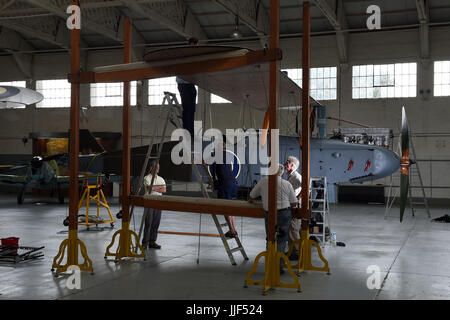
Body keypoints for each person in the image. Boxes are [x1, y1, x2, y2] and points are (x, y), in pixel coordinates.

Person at [248, 164, 298, 274]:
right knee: (281, 239)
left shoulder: (263, 181)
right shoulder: (287, 183)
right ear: (282, 173)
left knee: (270, 238)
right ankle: (278, 267)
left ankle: (270, 265)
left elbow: (251, 196)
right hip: (284, 214)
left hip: (269, 214)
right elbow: (294, 203)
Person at [209, 136, 239, 238]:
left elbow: (205, 162)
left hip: (225, 184)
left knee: (225, 208)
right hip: (233, 183)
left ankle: (231, 230)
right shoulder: (227, 154)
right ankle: (233, 229)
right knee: (230, 207)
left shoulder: (217, 154)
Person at [176, 37, 199, 138]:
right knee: (187, 108)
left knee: (192, 109)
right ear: (189, 44)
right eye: (192, 45)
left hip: (191, 84)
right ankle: (187, 132)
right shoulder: (183, 54)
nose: (194, 47)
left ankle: (191, 132)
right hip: (183, 84)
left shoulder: (194, 55)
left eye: (195, 46)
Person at [142, 161, 166, 249]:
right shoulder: (146, 178)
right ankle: (145, 242)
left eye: (158, 167)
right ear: (151, 168)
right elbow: (149, 188)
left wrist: (155, 187)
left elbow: (164, 190)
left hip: (158, 203)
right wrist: (158, 188)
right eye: (156, 167)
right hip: (149, 202)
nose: (157, 168)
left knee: (156, 223)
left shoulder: (161, 179)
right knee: (148, 223)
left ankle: (152, 242)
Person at [285, 156, 303, 260]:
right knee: (290, 230)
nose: (285, 164)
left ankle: (299, 253)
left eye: (287, 163)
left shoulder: (296, 176)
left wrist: (297, 198)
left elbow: (306, 188)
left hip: (296, 206)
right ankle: (293, 251)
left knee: (294, 230)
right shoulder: (290, 175)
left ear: (293, 165)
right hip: (291, 205)